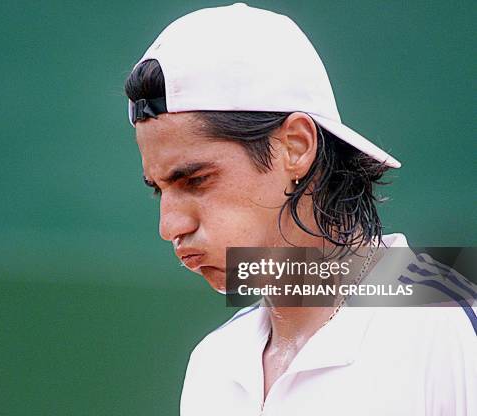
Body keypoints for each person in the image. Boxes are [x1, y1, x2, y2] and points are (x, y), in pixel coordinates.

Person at [123, 4, 476, 415]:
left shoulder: (451, 323)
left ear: (296, 147)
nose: (170, 226)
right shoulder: (213, 363)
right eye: (158, 190)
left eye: (197, 179)